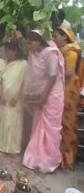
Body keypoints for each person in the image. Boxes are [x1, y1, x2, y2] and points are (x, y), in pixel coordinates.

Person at [22, 30, 64, 173]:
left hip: (53, 96)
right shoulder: (34, 54)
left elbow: (52, 77)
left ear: (38, 41)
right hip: (42, 94)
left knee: (48, 127)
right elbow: (35, 76)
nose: (29, 46)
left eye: (30, 43)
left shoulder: (50, 53)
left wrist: (43, 98)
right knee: (38, 124)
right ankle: (35, 158)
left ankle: (47, 161)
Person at [53, 27, 81, 170]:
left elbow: (69, 72)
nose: (54, 39)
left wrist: (52, 71)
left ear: (65, 37)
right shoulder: (63, 51)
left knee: (67, 125)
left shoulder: (71, 52)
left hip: (69, 93)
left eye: (56, 36)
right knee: (60, 123)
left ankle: (67, 158)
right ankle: (59, 157)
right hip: (62, 91)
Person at [0, 42, 28, 154]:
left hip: (16, 100)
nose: (6, 53)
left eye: (8, 51)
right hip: (5, 99)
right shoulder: (5, 64)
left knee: (15, 124)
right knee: (4, 121)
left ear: (15, 51)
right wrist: (2, 95)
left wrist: (17, 97)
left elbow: (24, 82)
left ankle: (13, 148)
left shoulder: (23, 64)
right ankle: (2, 146)